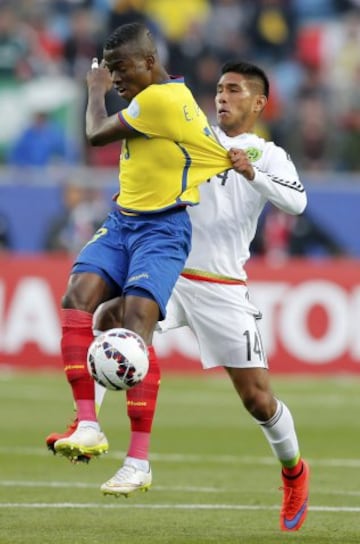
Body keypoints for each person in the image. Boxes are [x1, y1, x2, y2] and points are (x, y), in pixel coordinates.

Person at [47, 60, 310, 532]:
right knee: (112, 322)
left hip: (224, 287)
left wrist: (252, 174)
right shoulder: (192, 131)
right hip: (170, 267)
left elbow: (297, 202)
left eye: (234, 90)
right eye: (220, 89)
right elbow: (161, 100)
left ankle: (294, 471)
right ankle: (91, 427)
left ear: (259, 102)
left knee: (258, 400)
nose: (223, 97)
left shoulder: (269, 155)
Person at [49, 22, 231, 465]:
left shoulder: (158, 100)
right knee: (77, 299)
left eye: (119, 69)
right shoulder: (175, 94)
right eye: (108, 71)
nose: (114, 79)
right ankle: (88, 424)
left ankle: (138, 460)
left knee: (134, 327)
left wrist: (93, 91)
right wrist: (231, 156)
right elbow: (204, 143)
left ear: (149, 62)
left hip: (162, 228)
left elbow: (94, 135)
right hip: (123, 219)